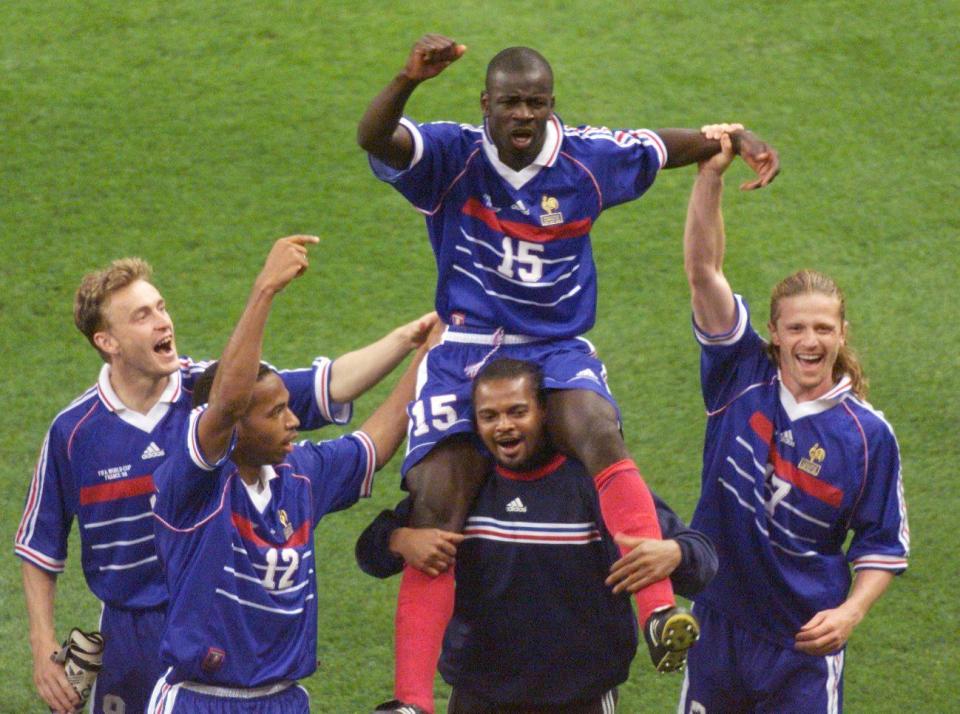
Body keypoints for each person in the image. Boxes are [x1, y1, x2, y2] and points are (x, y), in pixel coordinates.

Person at [357, 33, 779, 710]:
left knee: (597, 429)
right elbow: (376, 138)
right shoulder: (450, 154)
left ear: (552, 107)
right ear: (484, 104)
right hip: (467, 346)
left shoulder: (585, 159)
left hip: (553, 344)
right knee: (437, 501)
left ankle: (659, 612)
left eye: (537, 103)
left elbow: (667, 147)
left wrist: (738, 137)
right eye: (510, 103)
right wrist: (407, 78)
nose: (524, 115)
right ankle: (411, 701)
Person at [15, 253, 436, 714]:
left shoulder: (222, 395)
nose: (162, 322)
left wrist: (412, 342)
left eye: (161, 307)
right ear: (107, 340)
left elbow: (328, 389)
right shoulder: (78, 431)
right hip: (133, 631)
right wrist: (42, 646)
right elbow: (41, 545)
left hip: (218, 624)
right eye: (142, 315)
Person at [678, 130, 909, 713]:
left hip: (801, 648)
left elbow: (883, 543)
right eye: (797, 328)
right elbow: (705, 271)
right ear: (775, 333)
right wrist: (710, 176)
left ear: (841, 335)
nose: (810, 341)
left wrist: (851, 613)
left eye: (823, 328)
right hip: (720, 623)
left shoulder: (868, 435)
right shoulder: (740, 374)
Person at [147, 235, 429, 712]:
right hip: (202, 700)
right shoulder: (192, 486)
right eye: (276, 411)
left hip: (284, 699)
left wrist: (433, 349)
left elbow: (375, 443)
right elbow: (229, 400)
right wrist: (265, 291)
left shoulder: (298, 474)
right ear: (236, 425)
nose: (294, 420)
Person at [360, 358, 717, 713]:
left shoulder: (595, 484)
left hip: (580, 700)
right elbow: (369, 554)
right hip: (479, 696)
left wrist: (676, 553)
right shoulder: (464, 488)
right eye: (489, 416)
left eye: (517, 412)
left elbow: (702, 559)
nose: (503, 426)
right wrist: (399, 540)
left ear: (546, 412)